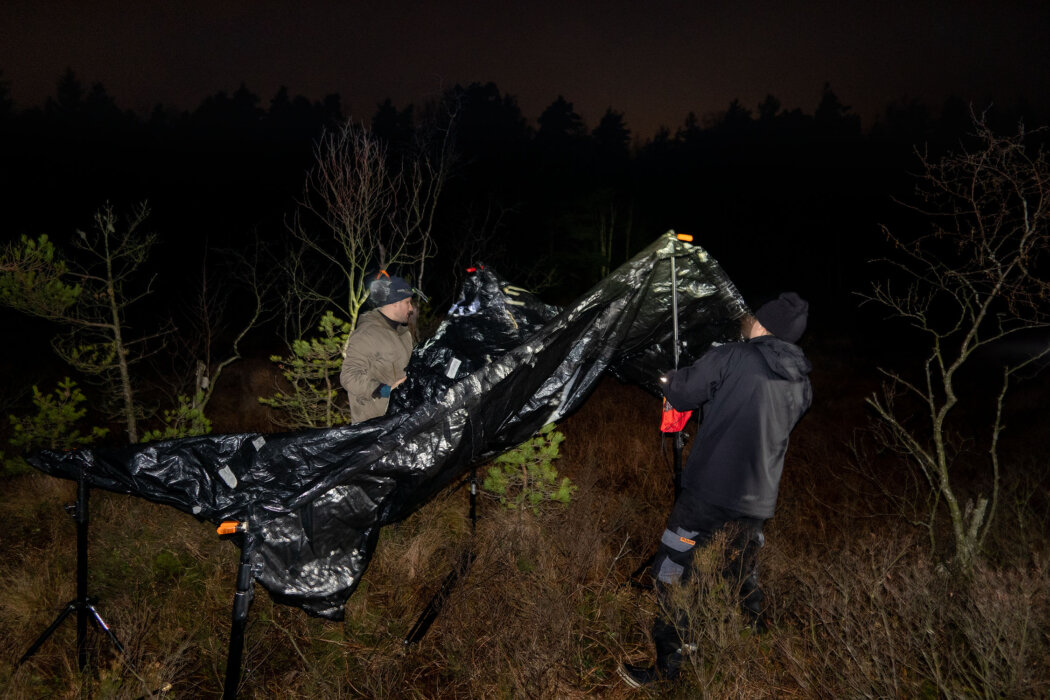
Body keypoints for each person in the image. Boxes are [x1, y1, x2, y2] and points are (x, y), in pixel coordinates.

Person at [619, 292, 812, 688]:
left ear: (762, 323)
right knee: (740, 575)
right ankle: (753, 660)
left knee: (672, 571)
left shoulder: (734, 356)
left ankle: (668, 667)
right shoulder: (802, 381)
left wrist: (669, 376)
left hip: (707, 496)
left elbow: (684, 391)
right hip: (758, 502)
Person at [340, 273, 416, 423]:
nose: (411, 308)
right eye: (407, 302)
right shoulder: (367, 334)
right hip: (375, 427)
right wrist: (384, 390)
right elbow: (348, 376)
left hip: (400, 421)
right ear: (395, 303)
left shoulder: (404, 333)